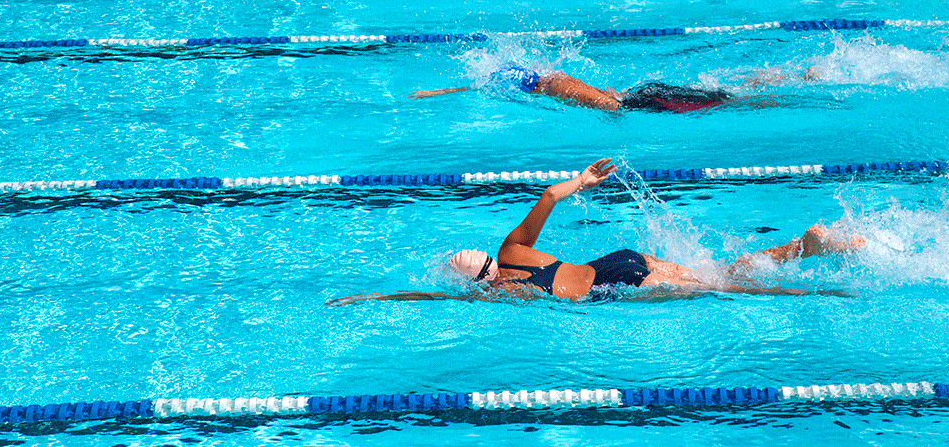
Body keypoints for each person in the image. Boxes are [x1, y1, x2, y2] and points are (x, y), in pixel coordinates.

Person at [328, 159, 864, 305]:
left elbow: (427, 296)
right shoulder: (508, 257)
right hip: (618, 262)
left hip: (618, 284)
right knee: (720, 274)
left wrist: (377, 294)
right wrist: (581, 181)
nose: (464, 254)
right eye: (464, 256)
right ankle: (804, 247)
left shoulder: (501, 289)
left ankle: (814, 283)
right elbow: (547, 197)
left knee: (727, 286)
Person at [410, 64, 735, 113]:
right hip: (641, 93)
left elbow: (611, 107)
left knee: (727, 103)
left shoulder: (555, 88)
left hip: (645, 100)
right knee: (719, 96)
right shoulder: (552, 78)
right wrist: (436, 93)